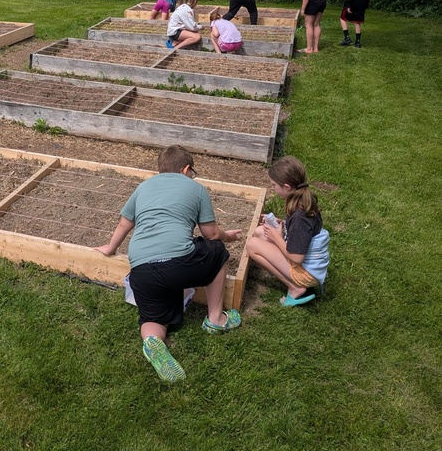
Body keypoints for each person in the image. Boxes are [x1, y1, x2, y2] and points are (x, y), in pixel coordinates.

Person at [95, 145, 243, 384]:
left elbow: (124, 223)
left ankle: (153, 340)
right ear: (186, 169)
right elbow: (212, 234)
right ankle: (215, 319)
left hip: (141, 270)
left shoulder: (143, 187)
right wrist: (229, 236)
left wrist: (110, 248)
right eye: (192, 172)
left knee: (153, 318)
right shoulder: (196, 188)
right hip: (178, 264)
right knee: (217, 252)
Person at [246, 156, 330, 306]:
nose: (272, 188)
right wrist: (283, 224)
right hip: (311, 264)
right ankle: (288, 277)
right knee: (259, 232)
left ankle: (295, 287)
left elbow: (297, 258)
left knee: (252, 244)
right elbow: (305, 231)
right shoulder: (303, 199)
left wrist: (277, 237)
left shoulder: (300, 218)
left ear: (286, 187)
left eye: (274, 185)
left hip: (307, 274)